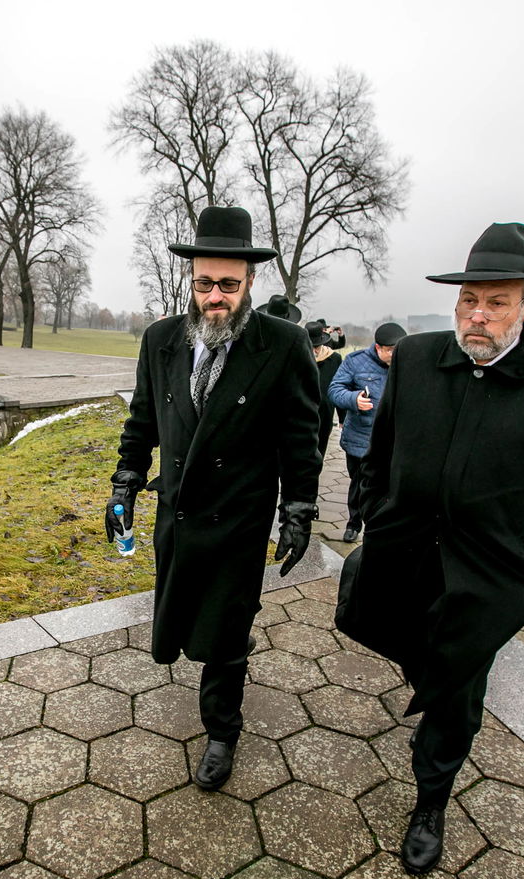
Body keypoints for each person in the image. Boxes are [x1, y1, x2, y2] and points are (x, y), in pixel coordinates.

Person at [336, 222, 524, 875]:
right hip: (402, 554)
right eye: (468, 300)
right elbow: (382, 449)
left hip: (483, 577)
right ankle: (426, 669)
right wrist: (374, 514)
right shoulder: (421, 359)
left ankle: (431, 798)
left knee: (455, 690)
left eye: (497, 302)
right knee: (369, 616)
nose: (478, 316)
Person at [107, 206, 322, 792]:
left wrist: (298, 508)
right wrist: (126, 480)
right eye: (204, 283)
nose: (215, 297)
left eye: (228, 284)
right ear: (191, 281)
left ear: (251, 283)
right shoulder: (161, 340)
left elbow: (301, 438)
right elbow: (143, 419)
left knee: (225, 633)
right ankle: (219, 657)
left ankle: (223, 729)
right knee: (181, 614)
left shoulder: (282, 344)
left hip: (239, 518)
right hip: (178, 510)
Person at [328, 321, 406, 543]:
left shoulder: (408, 362)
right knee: (359, 484)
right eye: (390, 350)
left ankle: (379, 525)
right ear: (378, 347)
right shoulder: (355, 361)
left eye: (398, 349)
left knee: (388, 487)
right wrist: (354, 400)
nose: (394, 354)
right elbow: (335, 390)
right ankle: (354, 523)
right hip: (361, 439)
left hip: (394, 441)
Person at [307, 321, 343, 455]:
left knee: (320, 447)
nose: (314, 350)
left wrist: (342, 417)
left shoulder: (334, 359)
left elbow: (340, 386)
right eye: (311, 346)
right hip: (302, 409)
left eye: (316, 346)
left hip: (325, 411)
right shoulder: (297, 355)